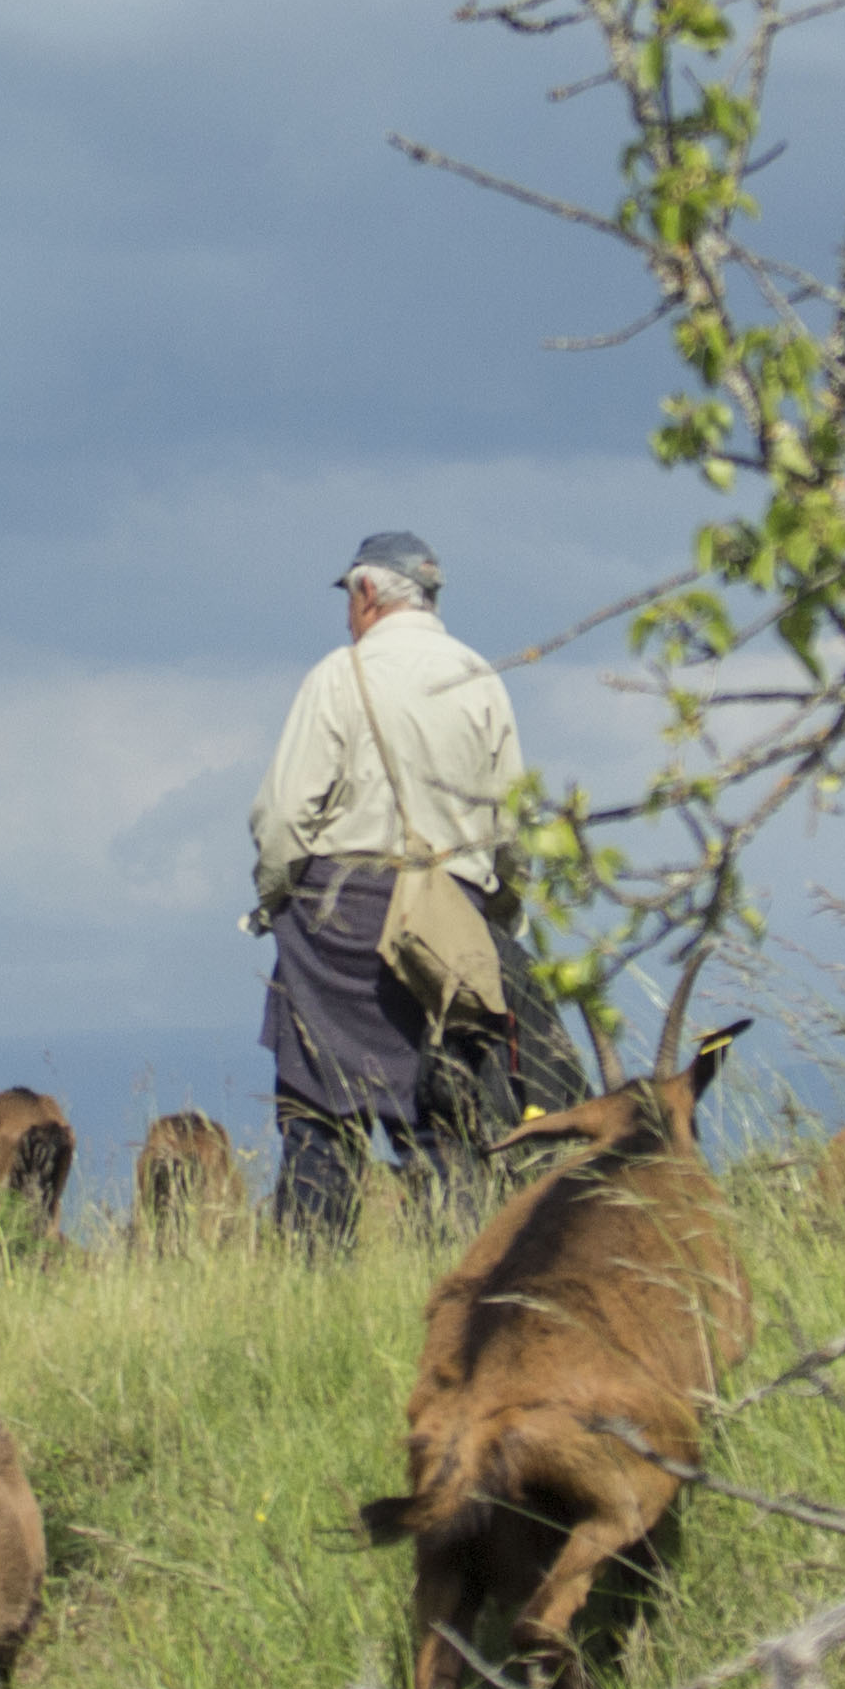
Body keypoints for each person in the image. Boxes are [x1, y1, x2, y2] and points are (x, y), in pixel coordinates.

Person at [243, 531, 580, 1243]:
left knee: (319, 1118)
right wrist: (492, 922)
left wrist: (277, 901)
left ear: (367, 592)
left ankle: (310, 1281)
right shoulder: (480, 678)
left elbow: (283, 818)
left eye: (349, 597)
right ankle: (451, 1272)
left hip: (336, 920)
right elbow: (513, 829)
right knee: (445, 1118)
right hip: (448, 918)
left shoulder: (339, 675)